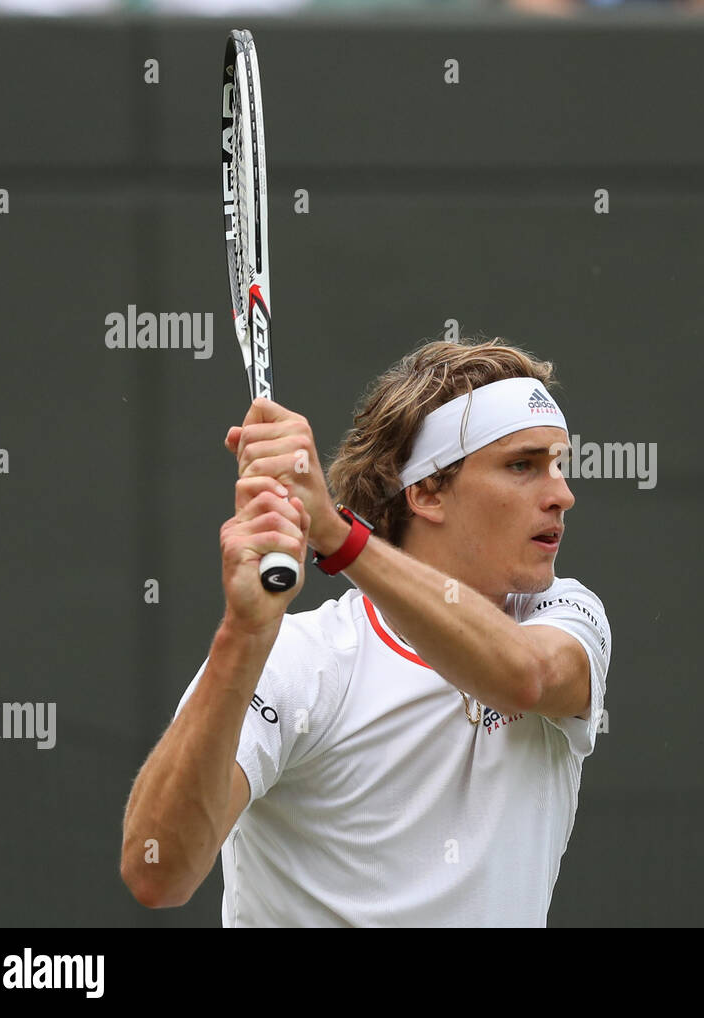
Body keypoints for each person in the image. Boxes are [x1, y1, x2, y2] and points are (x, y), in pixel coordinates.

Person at [120, 338, 611, 927]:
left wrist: (334, 534)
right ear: (427, 490)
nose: (562, 494)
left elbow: (524, 678)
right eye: (522, 465)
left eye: (558, 464)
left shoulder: (564, 614)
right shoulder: (297, 660)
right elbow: (159, 872)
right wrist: (244, 634)